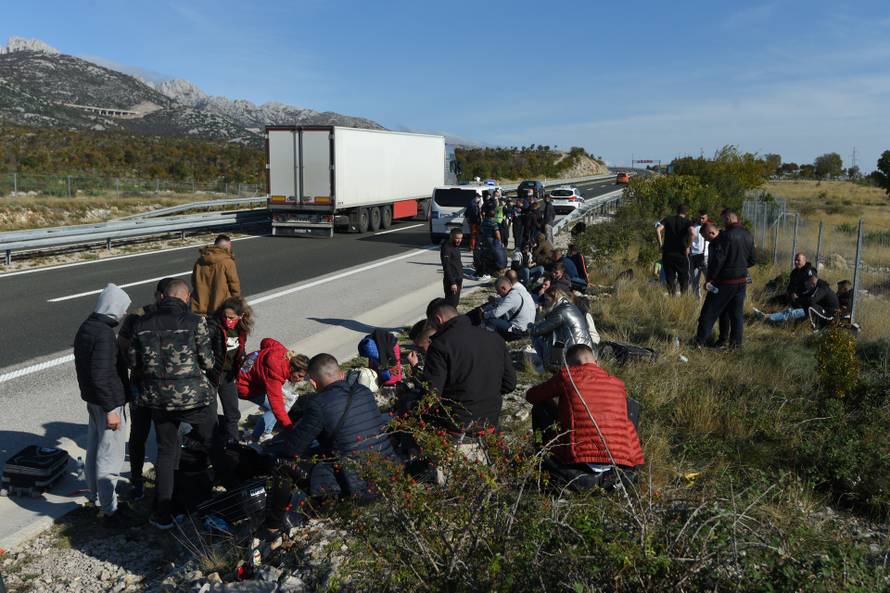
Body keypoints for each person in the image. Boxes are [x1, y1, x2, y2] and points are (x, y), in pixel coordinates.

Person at [267, 354, 401, 529]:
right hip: (390, 475)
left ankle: (272, 528)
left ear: (314, 383)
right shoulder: (364, 392)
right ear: (342, 374)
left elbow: (292, 449)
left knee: (282, 465)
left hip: (358, 489)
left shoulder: (318, 404)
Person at [127, 278, 216, 529]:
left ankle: (163, 513)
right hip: (193, 398)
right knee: (213, 442)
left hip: (158, 399)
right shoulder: (195, 322)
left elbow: (133, 362)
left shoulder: (141, 324)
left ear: (162, 297)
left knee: (166, 453)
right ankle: (227, 490)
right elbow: (207, 362)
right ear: (186, 298)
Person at [525, 344, 644, 488]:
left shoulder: (567, 376)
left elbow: (532, 396)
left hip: (579, 465)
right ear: (597, 363)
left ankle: (541, 455)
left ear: (569, 365)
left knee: (540, 407)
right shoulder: (618, 384)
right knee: (628, 407)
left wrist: (553, 403)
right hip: (620, 467)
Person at [74, 283, 136, 527]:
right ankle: (110, 510)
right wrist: (112, 409)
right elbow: (102, 375)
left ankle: (95, 497)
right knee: (109, 457)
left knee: (94, 448)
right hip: (107, 402)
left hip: (92, 400)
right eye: (122, 309)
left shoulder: (87, 327)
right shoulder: (104, 335)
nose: (123, 314)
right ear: (113, 307)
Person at [117, 277, 176, 501]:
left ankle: (140, 482)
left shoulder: (136, 317)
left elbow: (123, 352)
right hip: (164, 390)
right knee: (162, 439)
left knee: (143, 436)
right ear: (160, 296)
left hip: (142, 386)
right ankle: (155, 484)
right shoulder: (139, 317)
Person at [423, 300, 516, 431]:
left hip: (457, 421)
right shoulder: (495, 338)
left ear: (438, 319)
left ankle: (411, 450)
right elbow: (510, 384)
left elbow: (431, 396)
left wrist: (416, 374)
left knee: (407, 403)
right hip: (490, 418)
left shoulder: (440, 345)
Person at [694, 214, 756, 348]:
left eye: (706, 237)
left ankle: (699, 342)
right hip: (741, 282)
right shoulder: (748, 235)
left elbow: (718, 261)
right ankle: (733, 344)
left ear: (712, 232)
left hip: (724, 282)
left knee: (708, 312)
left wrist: (710, 279)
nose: (706, 241)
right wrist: (740, 267)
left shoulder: (723, 239)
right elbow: (752, 260)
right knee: (734, 314)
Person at [236, 339, 310, 443]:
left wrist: (261, 363)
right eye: (300, 376)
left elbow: (266, 341)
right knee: (275, 408)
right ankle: (260, 436)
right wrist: (290, 429)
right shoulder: (275, 375)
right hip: (245, 387)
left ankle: (260, 431)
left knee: (279, 402)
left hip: (244, 369)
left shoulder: (283, 352)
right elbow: (277, 407)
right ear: (292, 368)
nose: (300, 379)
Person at [206, 296, 253, 444]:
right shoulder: (213, 326)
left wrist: (244, 360)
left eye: (231, 317)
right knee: (210, 414)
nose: (228, 320)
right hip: (211, 376)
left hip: (228, 375)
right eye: (225, 316)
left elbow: (241, 349)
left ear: (241, 316)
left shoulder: (241, 328)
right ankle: (213, 445)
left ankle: (233, 443)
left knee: (232, 412)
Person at [528, 287, 596, 368]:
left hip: (573, 357)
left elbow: (539, 330)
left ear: (554, 298)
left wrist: (530, 326)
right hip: (584, 353)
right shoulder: (568, 306)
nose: (545, 303)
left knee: (536, 335)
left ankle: (548, 365)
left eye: (547, 300)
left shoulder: (561, 311)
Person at [754, 270, 839, 329]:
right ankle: (769, 317)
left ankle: (768, 318)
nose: (806, 284)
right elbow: (807, 297)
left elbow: (811, 300)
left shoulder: (822, 288)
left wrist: (798, 299)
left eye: (807, 281)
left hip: (828, 315)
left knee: (797, 311)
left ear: (812, 280)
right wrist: (797, 298)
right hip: (819, 310)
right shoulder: (817, 287)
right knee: (794, 310)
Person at [191, 234, 241, 315]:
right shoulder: (227, 262)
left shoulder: (200, 261)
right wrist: (236, 302)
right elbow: (234, 284)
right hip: (221, 307)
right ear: (227, 246)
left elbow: (194, 282)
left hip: (201, 306)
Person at [656, 204, 696, 295]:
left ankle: (672, 296)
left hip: (668, 253)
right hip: (682, 254)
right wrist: (688, 247)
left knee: (670, 277)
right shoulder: (687, 222)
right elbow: (693, 233)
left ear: (677, 211)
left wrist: (660, 245)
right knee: (683, 277)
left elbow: (658, 229)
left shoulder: (668, 219)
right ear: (686, 213)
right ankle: (683, 297)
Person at [440, 228, 464, 307]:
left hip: (458, 279)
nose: (459, 240)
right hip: (452, 281)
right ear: (451, 237)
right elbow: (446, 267)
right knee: (451, 304)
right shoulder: (447, 248)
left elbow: (458, 264)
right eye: (457, 238)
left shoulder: (455, 246)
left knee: (455, 303)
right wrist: (452, 283)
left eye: (461, 238)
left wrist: (460, 280)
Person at [689, 210, 710, 300]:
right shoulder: (693, 227)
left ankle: (712, 297)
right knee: (695, 280)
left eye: (703, 218)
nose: (701, 220)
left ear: (707, 218)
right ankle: (697, 299)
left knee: (710, 279)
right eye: (700, 217)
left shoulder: (710, 227)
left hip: (706, 256)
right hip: (695, 256)